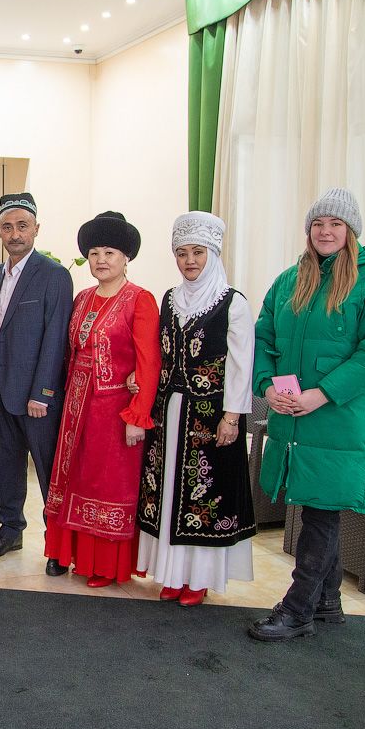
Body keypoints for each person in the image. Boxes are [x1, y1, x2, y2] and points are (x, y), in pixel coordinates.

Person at [249, 188, 365, 641]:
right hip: (292, 416)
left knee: (321, 515)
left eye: (335, 223)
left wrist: (323, 394)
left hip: (337, 419)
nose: (325, 231)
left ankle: (297, 610)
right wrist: (268, 386)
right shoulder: (288, 280)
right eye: (318, 224)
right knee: (319, 508)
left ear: (350, 230)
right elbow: (264, 338)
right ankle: (327, 602)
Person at [136, 212, 256, 606]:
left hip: (211, 416)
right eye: (182, 253)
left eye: (198, 253)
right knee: (169, 493)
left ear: (213, 254)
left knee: (203, 497)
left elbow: (241, 365)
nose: (189, 261)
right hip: (168, 414)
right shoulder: (170, 299)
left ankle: (198, 579)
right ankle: (171, 574)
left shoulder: (233, 303)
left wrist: (232, 417)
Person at [44, 211, 159, 587]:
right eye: (94, 253)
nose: (101, 260)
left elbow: (149, 362)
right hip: (77, 405)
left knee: (107, 484)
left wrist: (137, 415)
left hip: (114, 410)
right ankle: (71, 554)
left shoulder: (139, 300)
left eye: (109, 252)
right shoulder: (82, 298)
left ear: (126, 257)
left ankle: (106, 565)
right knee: (73, 479)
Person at [0, 192, 73, 558]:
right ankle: (10, 530)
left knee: (48, 469)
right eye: (7, 227)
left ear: (36, 229)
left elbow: (56, 337)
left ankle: (57, 543)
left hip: (37, 398)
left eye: (22, 226)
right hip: (1, 392)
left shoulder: (54, 275)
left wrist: (43, 393)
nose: (15, 234)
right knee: (6, 465)